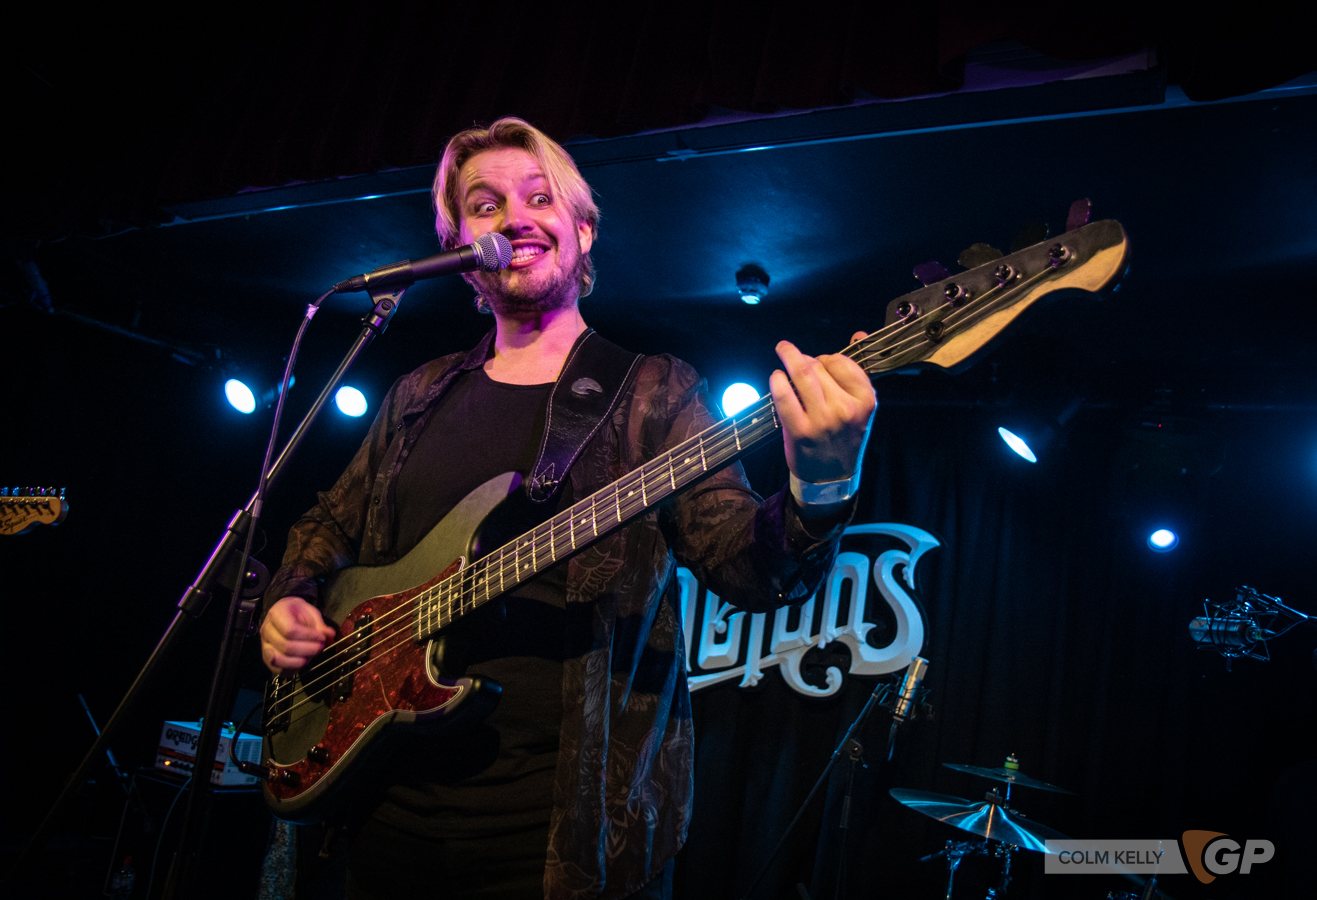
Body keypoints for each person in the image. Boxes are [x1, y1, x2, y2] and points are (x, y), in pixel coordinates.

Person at [258, 117, 876, 900]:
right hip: (377, 813)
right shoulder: (417, 393)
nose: (514, 217)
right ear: (459, 248)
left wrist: (821, 483)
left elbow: (746, 568)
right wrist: (289, 598)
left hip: (563, 842)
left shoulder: (653, 392)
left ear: (581, 232)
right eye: (484, 205)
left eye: (540, 197)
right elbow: (327, 523)